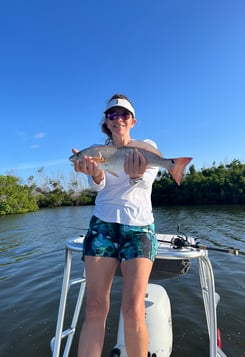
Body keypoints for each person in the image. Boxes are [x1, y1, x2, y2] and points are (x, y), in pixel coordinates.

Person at [72, 94, 159, 357]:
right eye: (112, 115)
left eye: (124, 114)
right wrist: (96, 173)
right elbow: (98, 185)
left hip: (139, 228)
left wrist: (135, 177)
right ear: (107, 123)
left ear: (132, 120)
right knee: (95, 308)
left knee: (133, 309)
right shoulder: (98, 152)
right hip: (103, 226)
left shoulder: (147, 147)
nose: (118, 119)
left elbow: (146, 183)